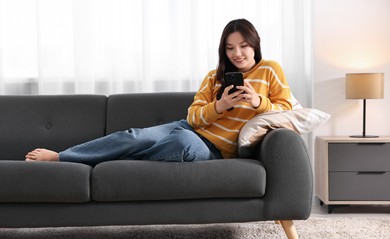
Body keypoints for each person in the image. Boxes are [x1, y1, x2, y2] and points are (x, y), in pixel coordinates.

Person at [25, 18, 293, 166]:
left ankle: (112, 158)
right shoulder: (214, 77)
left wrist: (258, 101)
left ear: (255, 45)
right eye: (230, 48)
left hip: (213, 150)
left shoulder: (270, 70)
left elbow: (288, 112)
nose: (237, 53)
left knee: (182, 144)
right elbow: (193, 118)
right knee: (133, 136)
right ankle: (62, 157)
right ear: (223, 50)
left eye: (244, 46)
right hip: (188, 129)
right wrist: (220, 106)